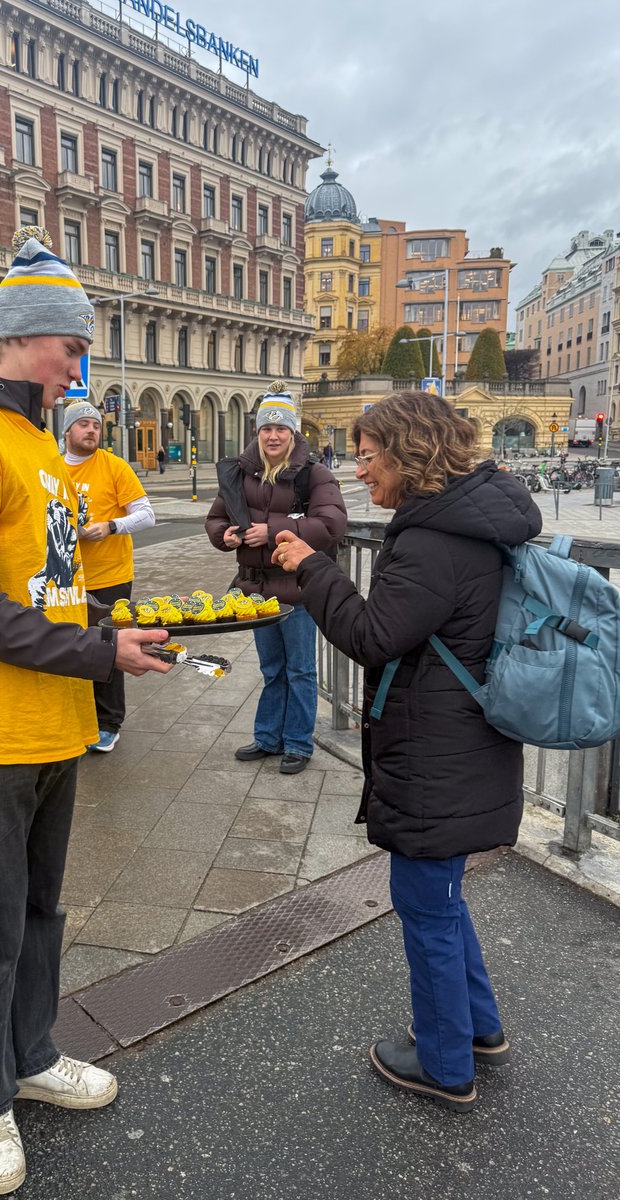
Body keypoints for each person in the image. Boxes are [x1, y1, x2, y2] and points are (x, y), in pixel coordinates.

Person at [0, 227, 172, 1196]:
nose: (79, 365)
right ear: (17, 340)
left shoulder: (37, 446)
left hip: (51, 721)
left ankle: (36, 1056)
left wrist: (118, 630)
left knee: (41, 911)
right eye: (71, 347)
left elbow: (45, 588)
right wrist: (100, 650)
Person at [272, 390, 542, 1112]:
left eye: (365, 458)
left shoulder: (429, 540)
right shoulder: (476, 519)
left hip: (435, 751)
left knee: (424, 903)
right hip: (467, 741)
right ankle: (479, 1030)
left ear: (405, 452)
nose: (358, 472)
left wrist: (312, 565)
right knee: (442, 899)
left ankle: (446, 1063)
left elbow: (371, 636)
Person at [205, 382, 347, 774]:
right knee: (272, 668)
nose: (272, 435)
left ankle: (298, 743)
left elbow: (332, 523)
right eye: (266, 428)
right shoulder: (239, 472)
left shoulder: (312, 474)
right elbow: (216, 517)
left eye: (281, 428)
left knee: (299, 669)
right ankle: (268, 738)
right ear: (257, 432)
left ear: (293, 432)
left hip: (298, 588)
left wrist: (271, 530)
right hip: (257, 589)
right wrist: (226, 534)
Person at [63, 400, 156, 752]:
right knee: (69, 647)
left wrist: (111, 526)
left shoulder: (114, 467)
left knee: (108, 648)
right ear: (67, 430)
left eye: (96, 425)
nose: (91, 430)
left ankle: (108, 723)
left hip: (110, 576)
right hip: (67, 578)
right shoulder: (52, 469)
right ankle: (79, 719)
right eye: (83, 424)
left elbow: (147, 515)